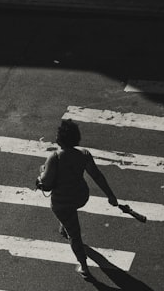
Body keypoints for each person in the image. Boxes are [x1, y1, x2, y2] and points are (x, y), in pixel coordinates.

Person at [37, 120, 118, 280]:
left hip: (62, 202)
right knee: (69, 220)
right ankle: (64, 227)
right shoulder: (84, 154)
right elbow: (97, 175)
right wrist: (110, 195)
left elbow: (45, 183)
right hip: (81, 196)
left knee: (74, 235)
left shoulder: (55, 158)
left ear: (60, 139)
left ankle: (84, 266)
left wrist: (41, 173)